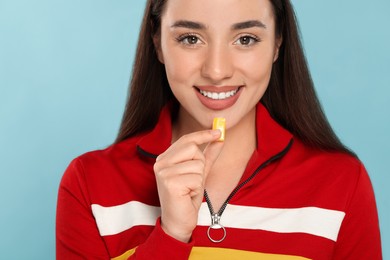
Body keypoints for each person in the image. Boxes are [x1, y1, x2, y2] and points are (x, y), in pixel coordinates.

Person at [56, 0, 382, 259]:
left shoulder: (342, 183)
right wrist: (171, 236)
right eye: (190, 38)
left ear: (278, 43)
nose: (217, 70)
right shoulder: (89, 185)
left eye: (245, 39)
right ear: (157, 42)